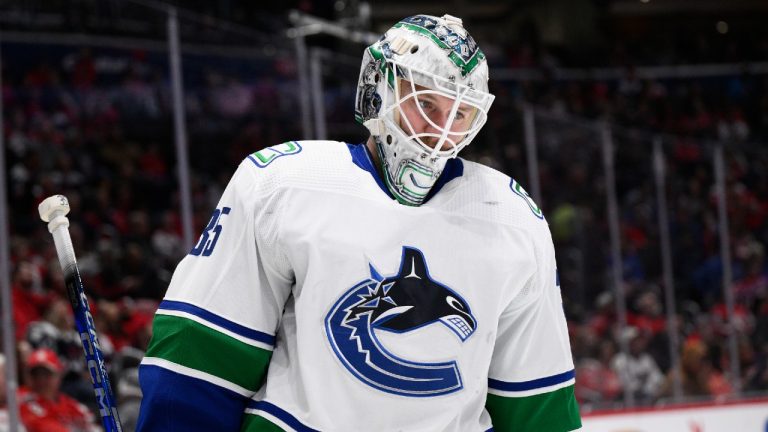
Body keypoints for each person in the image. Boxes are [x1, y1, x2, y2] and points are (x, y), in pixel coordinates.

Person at [137, 13, 581, 431]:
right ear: (379, 88)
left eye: (459, 113)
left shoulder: (513, 219)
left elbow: (535, 404)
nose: (441, 131)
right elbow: (203, 357)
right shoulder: (284, 184)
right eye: (425, 102)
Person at [18, 348, 97, 432]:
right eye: (35, 374)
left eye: (46, 374)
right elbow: (42, 426)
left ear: (58, 375)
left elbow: (91, 424)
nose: (41, 380)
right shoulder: (22, 400)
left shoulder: (69, 403)